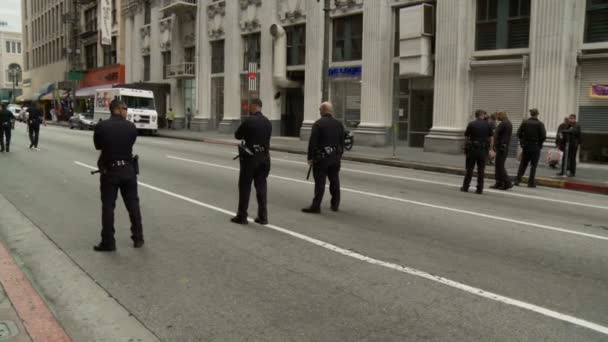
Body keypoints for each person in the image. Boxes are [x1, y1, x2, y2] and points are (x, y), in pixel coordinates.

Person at [93, 99, 144, 252]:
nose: (127, 112)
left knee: (108, 207)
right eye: (126, 109)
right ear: (119, 109)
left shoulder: (102, 126)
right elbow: (130, 142)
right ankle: (138, 238)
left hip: (110, 171)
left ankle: (108, 242)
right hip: (128, 170)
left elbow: (98, 146)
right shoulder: (131, 127)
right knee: (133, 205)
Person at [231, 98, 272, 225]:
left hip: (250, 158)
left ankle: (242, 216)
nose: (248, 108)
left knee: (245, 187)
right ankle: (263, 217)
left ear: (254, 106)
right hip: (264, 158)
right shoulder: (268, 122)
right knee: (261, 186)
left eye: (250, 106)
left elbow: (237, 135)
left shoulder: (249, 121)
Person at [302, 102, 345, 213]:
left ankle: (316, 206)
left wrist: (310, 157)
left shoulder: (318, 124)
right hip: (335, 158)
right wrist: (339, 156)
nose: (319, 111)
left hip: (321, 159)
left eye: (320, 109)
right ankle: (335, 204)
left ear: (324, 110)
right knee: (334, 181)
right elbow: (342, 142)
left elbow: (313, 142)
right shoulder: (339, 124)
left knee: (320, 183)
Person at [461, 110, 493, 194]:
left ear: (476, 116)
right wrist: (491, 149)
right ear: (482, 115)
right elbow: (491, 138)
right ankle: (479, 189)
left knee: (469, 169)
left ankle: (465, 187)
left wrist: (465, 148)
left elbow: (466, 137)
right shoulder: (488, 125)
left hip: (472, 149)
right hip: (483, 150)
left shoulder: (471, 124)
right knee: (481, 170)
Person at [515, 109, 546, 188]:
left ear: (530, 114)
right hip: (535, 146)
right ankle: (530, 182)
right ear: (537, 114)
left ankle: (517, 180)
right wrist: (539, 144)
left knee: (523, 163)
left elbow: (518, 134)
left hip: (526, 146)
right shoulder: (540, 124)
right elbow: (543, 136)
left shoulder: (525, 123)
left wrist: (522, 142)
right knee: (533, 165)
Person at [490, 111, 513, 190]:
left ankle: (507, 183)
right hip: (504, 147)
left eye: (498, 116)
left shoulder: (503, 124)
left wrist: (494, 145)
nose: (497, 118)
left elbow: (496, 134)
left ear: (501, 116)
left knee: (500, 166)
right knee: (498, 166)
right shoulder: (508, 123)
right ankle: (499, 183)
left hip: (501, 147)